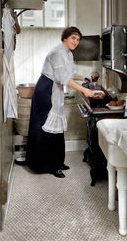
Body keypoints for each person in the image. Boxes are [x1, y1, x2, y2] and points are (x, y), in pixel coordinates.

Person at [26, 26, 94, 178]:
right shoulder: (58, 53)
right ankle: (48, 165)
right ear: (65, 38)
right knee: (47, 127)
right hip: (46, 90)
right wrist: (84, 90)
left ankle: (57, 162)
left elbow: (69, 73)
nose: (76, 42)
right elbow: (63, 78)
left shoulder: (68, 54)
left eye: (78, 39)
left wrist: (84, 78)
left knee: (56, 127)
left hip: (54, 89)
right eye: (73, 38)